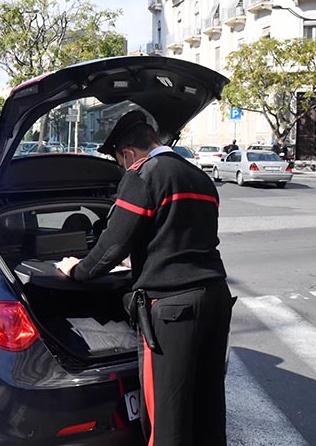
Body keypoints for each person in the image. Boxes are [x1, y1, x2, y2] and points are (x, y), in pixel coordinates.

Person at [56, 110, 234, 446]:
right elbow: (179, 233)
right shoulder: (199, 177)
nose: (124, 169)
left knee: (166, 414)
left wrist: (76, 270)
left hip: (172, 309)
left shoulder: (143, 175)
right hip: (215, 298)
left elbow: (111, 246)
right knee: (207, 403)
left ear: (128, 154)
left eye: (122, 162)